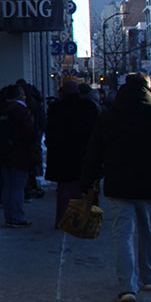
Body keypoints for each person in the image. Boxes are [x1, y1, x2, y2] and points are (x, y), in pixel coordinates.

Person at [81, 73, 151, 302]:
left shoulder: (108, 118)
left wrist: (88, 180)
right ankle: (150, 276)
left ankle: (127, 285)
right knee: (149, 230)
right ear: (149, 90)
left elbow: (94, 153)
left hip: (118, 184)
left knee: (123, 234)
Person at [45, 79, 100, 228]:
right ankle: (84, 220)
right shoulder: (88, 107)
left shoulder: (56, 108)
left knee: (64, 189)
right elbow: (95, 131)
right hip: (84, 154)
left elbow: (50, 133)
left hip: (62, 156)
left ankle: (63, 220)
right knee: (85, 189)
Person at [0, 84, 41, 227]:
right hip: (19, 154)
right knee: (17, 187)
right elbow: (29, 134)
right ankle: (17, 216)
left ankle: (9, 216)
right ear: (20, 96)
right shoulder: (21, 111)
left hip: (2, 153)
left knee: (7, 186)